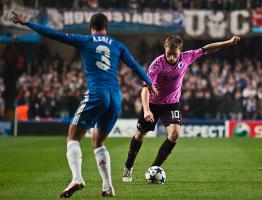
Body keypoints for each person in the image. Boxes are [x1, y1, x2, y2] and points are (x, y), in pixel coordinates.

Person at [10, 12, 158, 198]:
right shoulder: (118, 45)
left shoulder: (85, 40)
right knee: (98, 142)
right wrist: (150, 84)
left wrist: (28, 23)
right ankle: (107, 187)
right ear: (107, 28)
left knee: (73, 137)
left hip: (98, 93)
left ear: (91, 27)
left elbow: (53, 34)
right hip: (116, 96)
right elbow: (135, 66)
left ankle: (77, 178)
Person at [122, 34, 240, 182]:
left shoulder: (187, 57)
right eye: (168, 54)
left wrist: (228, 42)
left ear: (180, 51)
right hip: (153, 104)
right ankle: (128, 166)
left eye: (174, 55)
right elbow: (145, 89)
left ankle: (154, 169)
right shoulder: (157, 65)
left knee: (175, 134)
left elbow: (206, 49)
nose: (171, 58)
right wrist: (146, 110)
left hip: (171, 104)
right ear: (165, 50)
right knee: (139, 135)